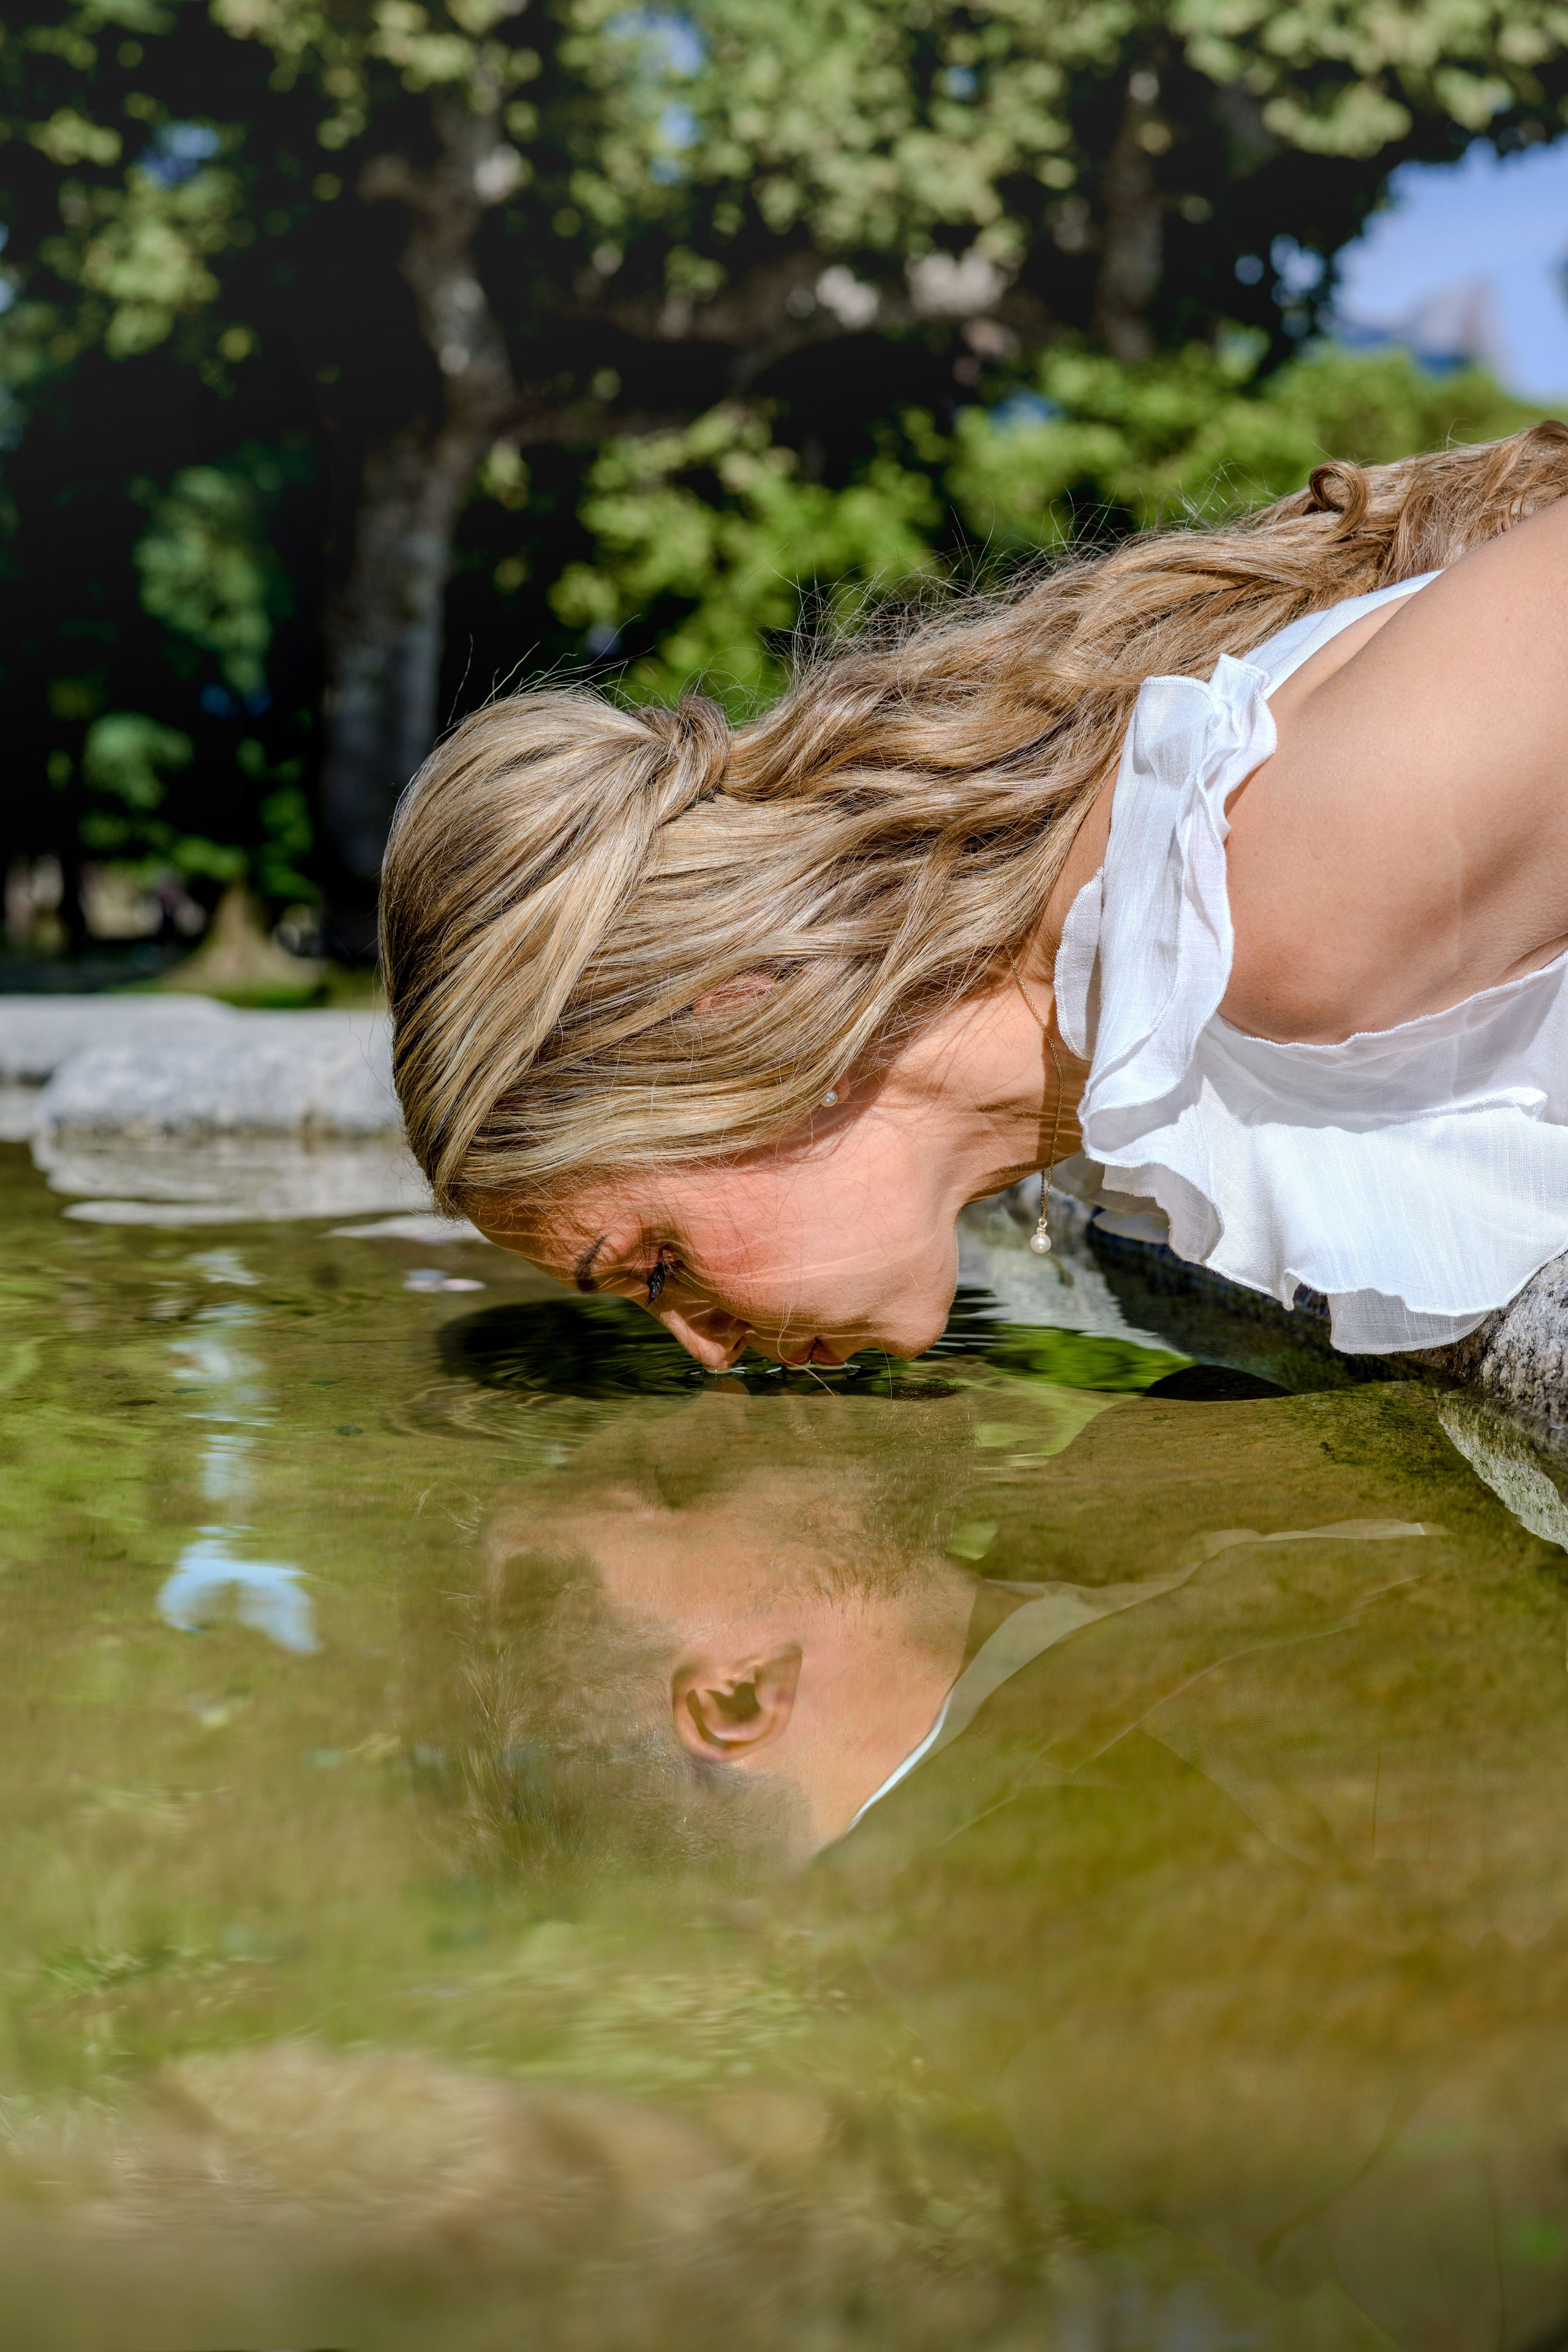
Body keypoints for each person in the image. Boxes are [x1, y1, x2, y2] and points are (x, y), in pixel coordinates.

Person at [382, 424, 1568, 1366]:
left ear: (731, 1013)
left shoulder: (1277, 903)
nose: (703, 1346)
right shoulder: (1153, 1028)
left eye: (652, 1266)